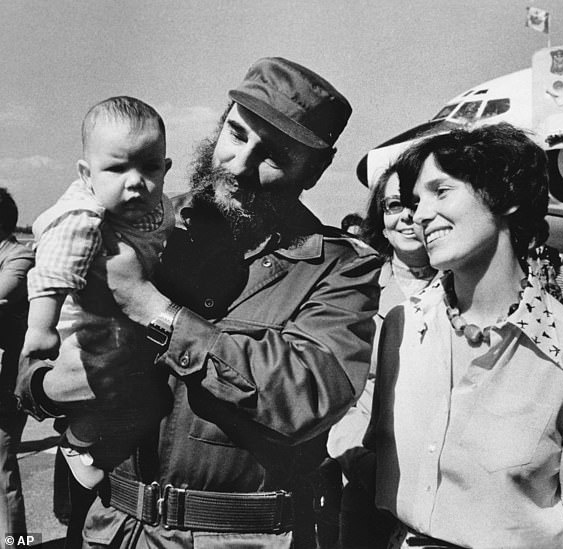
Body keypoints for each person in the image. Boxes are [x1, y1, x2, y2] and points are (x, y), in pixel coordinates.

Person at [17, 57, 380, 548]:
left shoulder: (339, 269)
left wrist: (149, 305)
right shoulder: (145, 222)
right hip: (114, 529)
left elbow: (305, 399)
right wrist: (51, 388)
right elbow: (33, 361)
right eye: (236, 134)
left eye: (273, 155)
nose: (240, 164)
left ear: (316, 169)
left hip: (239, 538)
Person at [366, 123, 563, 548]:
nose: (420, 214)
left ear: (505, 197)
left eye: (441, 191)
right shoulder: (400, 328)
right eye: (415, 200)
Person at [20, 96, 174, 491]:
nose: (136, 180)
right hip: (86, 326)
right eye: (117, 168)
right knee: (107, 385)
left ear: (166, 167)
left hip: (124, 321)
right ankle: (76, 442)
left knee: (136, 394)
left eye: (150, 166)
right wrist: (42, 327)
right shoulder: (82, 216)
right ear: (87, 173)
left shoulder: (162, 209)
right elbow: (54, 269)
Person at [328, 164, 437, 549]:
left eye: (415, 203)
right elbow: (336, 390)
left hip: (448, 492)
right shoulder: (354, 288)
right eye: (393, 206)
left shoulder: (468, 287)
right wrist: (357, 459)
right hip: (370, 484)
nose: (406, 216)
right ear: (382, 220)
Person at [0, 189, 34, 540]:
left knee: (2, 472)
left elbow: (3, 294)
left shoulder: (19, 257)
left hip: (6, 383)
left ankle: (18, 544)